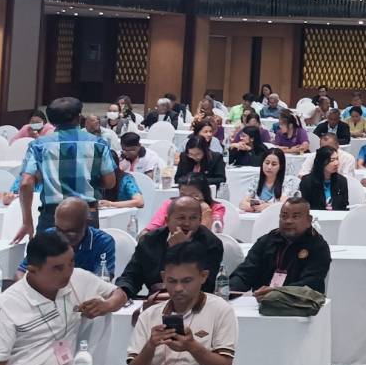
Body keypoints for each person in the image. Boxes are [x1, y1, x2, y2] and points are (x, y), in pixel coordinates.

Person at [0, 230, 124, 365]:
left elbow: (120, 294)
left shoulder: (78, 278)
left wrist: (107, 305)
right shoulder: (6, 305)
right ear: (32, 270)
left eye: (71, 262)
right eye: (58, 268)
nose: (67, 272)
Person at [126, 241, 237, 365]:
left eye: (187, 281)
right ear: (163, 278)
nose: (178, 288)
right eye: (172, 281)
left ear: (203, 276)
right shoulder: (149, 315)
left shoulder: (220, 310)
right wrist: (150, 345)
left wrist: (192, 346)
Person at [14, 96, 118, 240]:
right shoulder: (99, 144)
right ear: (79, 118)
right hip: (87, 212)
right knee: (86, 253)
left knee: (49, 254)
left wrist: (27, 222)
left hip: (52, 214)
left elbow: (25, 183)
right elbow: (110, 182)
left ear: (51, 121)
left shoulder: (38, 146)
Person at [117, 195, 224, 302]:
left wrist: (183, 249)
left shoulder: (211, 244)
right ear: (167, 220)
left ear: (200, 220)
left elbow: (206, 285)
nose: (187, 223)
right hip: (155, 301)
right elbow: (131, 277)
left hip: (195, 303)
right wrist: (122, 293)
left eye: (193, 218)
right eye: (181, 218)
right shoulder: (149, 241)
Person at [229, 196, 332, 295]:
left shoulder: (318, 247)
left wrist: (277, 292)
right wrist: (228, 289)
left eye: (295, 216)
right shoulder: (267, 241)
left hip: (300, 304)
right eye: (284, 216)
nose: (288, 221)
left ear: (309, 220)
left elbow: (310, 285)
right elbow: (245, 274)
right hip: (260, 302)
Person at [17, 196, 115, 276]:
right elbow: (21, 271)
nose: (62, 237)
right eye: (58, 229)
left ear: (86, 223)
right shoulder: (48, 237)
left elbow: (104, 281)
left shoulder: (103, 242)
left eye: (70, 232)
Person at [300, 145, 349, 211]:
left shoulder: (342, 181)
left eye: (337, 159)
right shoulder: (307, 181)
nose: (336, 163)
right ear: (321, 162)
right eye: (332, 160)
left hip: (336, 216)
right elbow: (304, 207)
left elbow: (344, 206)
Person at [241, 146, 289, 211]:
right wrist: (254, 207)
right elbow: (242, 203)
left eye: (274, 164)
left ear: (281, 166)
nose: (269, 167)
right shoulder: (256, 181)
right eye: (267, 163)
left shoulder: (287, 182)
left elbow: (284, 204)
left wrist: (266, 207)